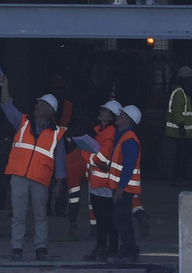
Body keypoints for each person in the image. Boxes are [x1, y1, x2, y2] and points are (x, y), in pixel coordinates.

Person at [0, 71, 66, 262]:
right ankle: (17, 249)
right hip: (19, 176)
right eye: (38, 103)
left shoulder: (57, 134)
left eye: (42, 104)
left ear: (50, 111)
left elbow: (60, 161)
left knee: (40, 215)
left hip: (40, 179)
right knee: (18, 215)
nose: (37, 105)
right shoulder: (23, 122)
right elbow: (7, 106)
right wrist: (4, 88)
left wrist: (60, 183)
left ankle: (41, 249)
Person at [80, 99, 124, 262]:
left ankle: (110, 248)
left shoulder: (110, 133)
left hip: (106, 184)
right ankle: (102, 247)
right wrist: (93, 158)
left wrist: (87, 155)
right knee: (101, 218)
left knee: (107, 219)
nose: (101, 112)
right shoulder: (100, 132)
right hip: (97, 182)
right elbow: (98, 158)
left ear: (111, 117)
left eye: (104, 111)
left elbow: (101, 157)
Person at [109, 105, 144, 263]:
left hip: (125, 188)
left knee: (123, 220)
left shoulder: (129, 139)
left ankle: (129, 252)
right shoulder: (123, 136)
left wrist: (121, 187)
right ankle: (128, 251)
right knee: (121, 220)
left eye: (122, 115)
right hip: (122, 187)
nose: (118, 116)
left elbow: (128, 165)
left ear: (129, 120)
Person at [48, 74, 76, 218]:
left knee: (62, 177)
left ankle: (60, 206)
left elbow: (75, 126)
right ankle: (46, 206)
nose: (57, 91)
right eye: (55, 88)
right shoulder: (46, 105)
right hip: (47, 145)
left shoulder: (69, 106)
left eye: (60, 88)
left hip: (64, 145)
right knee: (46, 176)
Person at [165, 66, 192, 181]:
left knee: (184, 156)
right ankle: (180, 178)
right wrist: (181, 127)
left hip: (186, 132)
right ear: (184, 79)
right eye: (190, 78)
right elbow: (177, 112)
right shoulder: (180, 93)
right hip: (182, 132)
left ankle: (181, 178)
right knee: (182, 157)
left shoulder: (185, 92)